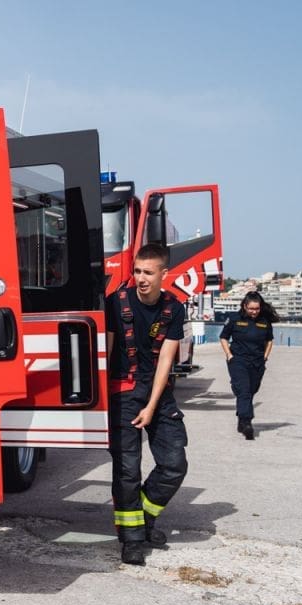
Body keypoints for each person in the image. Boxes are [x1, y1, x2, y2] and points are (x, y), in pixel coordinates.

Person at [105, 242, 189, 567]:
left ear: (164, 274)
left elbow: (166, 360)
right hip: (123, 391)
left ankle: (143, 518)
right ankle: (132, 540)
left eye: (148, 273)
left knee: (174, 464)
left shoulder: (175, 309)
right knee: (127, 470)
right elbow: (105, 353)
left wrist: (152, 406)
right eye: (137, 271)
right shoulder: (116, 303)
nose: (141, 278)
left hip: (158, 392)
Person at [219, 291, 278, 439]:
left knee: (251, 390)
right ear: (245, 306)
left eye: (257, 309)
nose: (254, 312)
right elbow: (223, 337)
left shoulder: (264, 321)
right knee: (244, 390)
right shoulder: (234, 318)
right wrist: (229, 355)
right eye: (251, 308)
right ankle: (246, 423)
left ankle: (241, 419)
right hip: (238, 360)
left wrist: (265, 357)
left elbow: (269, 340)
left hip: (257, 361)